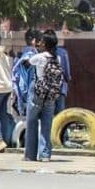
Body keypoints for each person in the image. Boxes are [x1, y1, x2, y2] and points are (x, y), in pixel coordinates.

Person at [23, 32, 63, 163]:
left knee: (31, 123)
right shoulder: (58, 58)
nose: (39, 43)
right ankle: (45, 154)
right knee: (47, 125)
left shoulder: (39, 57)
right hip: (51, 95)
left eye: (41, 41)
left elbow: (26, 64)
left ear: (44, 44)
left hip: (37, 92)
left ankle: (30, 155)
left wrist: (33, 49)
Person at [12, 28, 41, 117]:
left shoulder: (22, 55)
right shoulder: (31, 55)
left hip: (22, 93)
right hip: (30, 93)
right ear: (34, 40)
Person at [42, 29, 71, 113]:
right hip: (60, 88)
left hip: (46, 90)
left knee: (47, 115)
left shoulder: (41, 53)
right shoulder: (63, 53)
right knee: (60, 116)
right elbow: (67, 73)